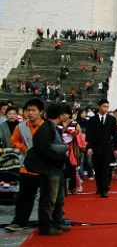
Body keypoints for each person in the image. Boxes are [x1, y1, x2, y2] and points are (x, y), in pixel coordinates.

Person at [25, 103, 70, 235]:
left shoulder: (53, 128)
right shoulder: (46, 129)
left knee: (58, 198)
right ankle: (45, 226)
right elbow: (43, 149)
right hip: (50, 168)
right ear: (60, 115)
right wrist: (60, 156)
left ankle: (57, 222)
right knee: (49, 198)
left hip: (57, 168)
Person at [4, 99, 46, 232]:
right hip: (26, 166)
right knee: (24, 195)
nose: (31, 113)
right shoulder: (21, 127)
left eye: (34, 110)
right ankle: (19, 221)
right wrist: (23, 147)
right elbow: (13, 140)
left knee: (47, 196)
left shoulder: (47, 126)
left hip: (45, 166)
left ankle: (47, 221)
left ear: (41, 112)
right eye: (28, 110)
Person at [84, 98, 117, 198]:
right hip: (95, 147)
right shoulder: (92, 120)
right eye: (104, 106)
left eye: (107, 107)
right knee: (97, 168)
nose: (106, 108)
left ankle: (104, 189)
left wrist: (116, 148)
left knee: (105, 168)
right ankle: (99, 187)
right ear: (99, 107)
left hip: (107, 148)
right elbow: (89, 134)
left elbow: (115, 134)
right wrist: (89, 147)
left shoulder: (112, 119)